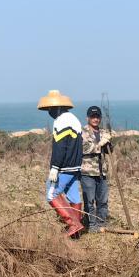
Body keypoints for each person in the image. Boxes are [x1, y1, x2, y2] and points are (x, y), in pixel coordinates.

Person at [37, 89, 85, 238]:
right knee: (74, 197)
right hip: (75, 165)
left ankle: (73, 224)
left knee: (51, 195)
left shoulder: (61, 121)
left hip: (64, 166)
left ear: (57, 107)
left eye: (51, 109)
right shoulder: (74, 119)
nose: (49, 112)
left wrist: (55, 168)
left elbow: (60, 146)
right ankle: (76, 231)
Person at [80, 105, 113, 233]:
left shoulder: (104, 132)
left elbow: (109, 151)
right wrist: (100, 144)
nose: (95, 119)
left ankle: (101, 223)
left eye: (97, 116)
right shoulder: (82, 132)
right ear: (88, 118)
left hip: (102, 172)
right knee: (89, 200)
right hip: (87, 172)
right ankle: (92, 226)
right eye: (93, 116)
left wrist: (109, 143)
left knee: (103, 200)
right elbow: (84, 149)